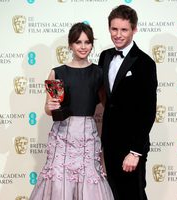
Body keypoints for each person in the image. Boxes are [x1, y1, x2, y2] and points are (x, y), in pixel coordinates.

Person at [29, 22, 114, 200]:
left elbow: (109, 106)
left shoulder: (99, 73)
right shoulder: (57, 72)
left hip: (87, 136)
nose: (83, 47)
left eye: (87, 42)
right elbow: (48, 108)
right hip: (62, 135)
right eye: (78, 42)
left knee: (88, 178)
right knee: (58, 178)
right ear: (70, 45)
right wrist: (50, 107)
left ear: (92, 44)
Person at [98, 5, 158, 200]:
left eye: (124, 29)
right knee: (113, 194)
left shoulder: (145, 63)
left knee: (134, 195)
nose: (118, 34)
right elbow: (102, 95)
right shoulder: (105, 56)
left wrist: (135, 152)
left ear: (134, 29)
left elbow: (148, 110)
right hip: (109, 141)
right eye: (114, 29)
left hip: (131, 145)